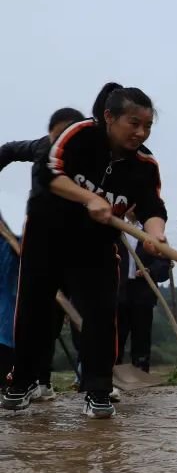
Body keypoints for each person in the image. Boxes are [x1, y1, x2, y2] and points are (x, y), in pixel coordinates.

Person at [1, 83, 167, 419]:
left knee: (102, 314)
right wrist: (90, 198)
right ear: (109, 117)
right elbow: (50, 174)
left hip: (97, 247)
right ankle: (23, 382)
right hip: (48, 237)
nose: (140, 132)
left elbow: (152, 206)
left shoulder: (144, 166)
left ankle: (98, 390)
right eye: (133, 123)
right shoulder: (78, 135)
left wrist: (155, 235)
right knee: (34, 309)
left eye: (147, 126)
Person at [0, 107, 86, 400]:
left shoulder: (85, 154)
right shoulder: (40, 147)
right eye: (58, 136)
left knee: (85, 311)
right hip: (42, 242)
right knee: (43, 317)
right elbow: (9, 150)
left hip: (79, 244)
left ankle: (93, 379)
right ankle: (41, 381)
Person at [116, 224, 171, 372]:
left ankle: (141, 369)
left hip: (143, 291)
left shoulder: (151, 233)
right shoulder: (116, 228)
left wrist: (150, 271)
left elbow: (164, 263)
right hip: (118, 290)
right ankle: (112, 372)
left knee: (142, 335)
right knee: (116, 334)